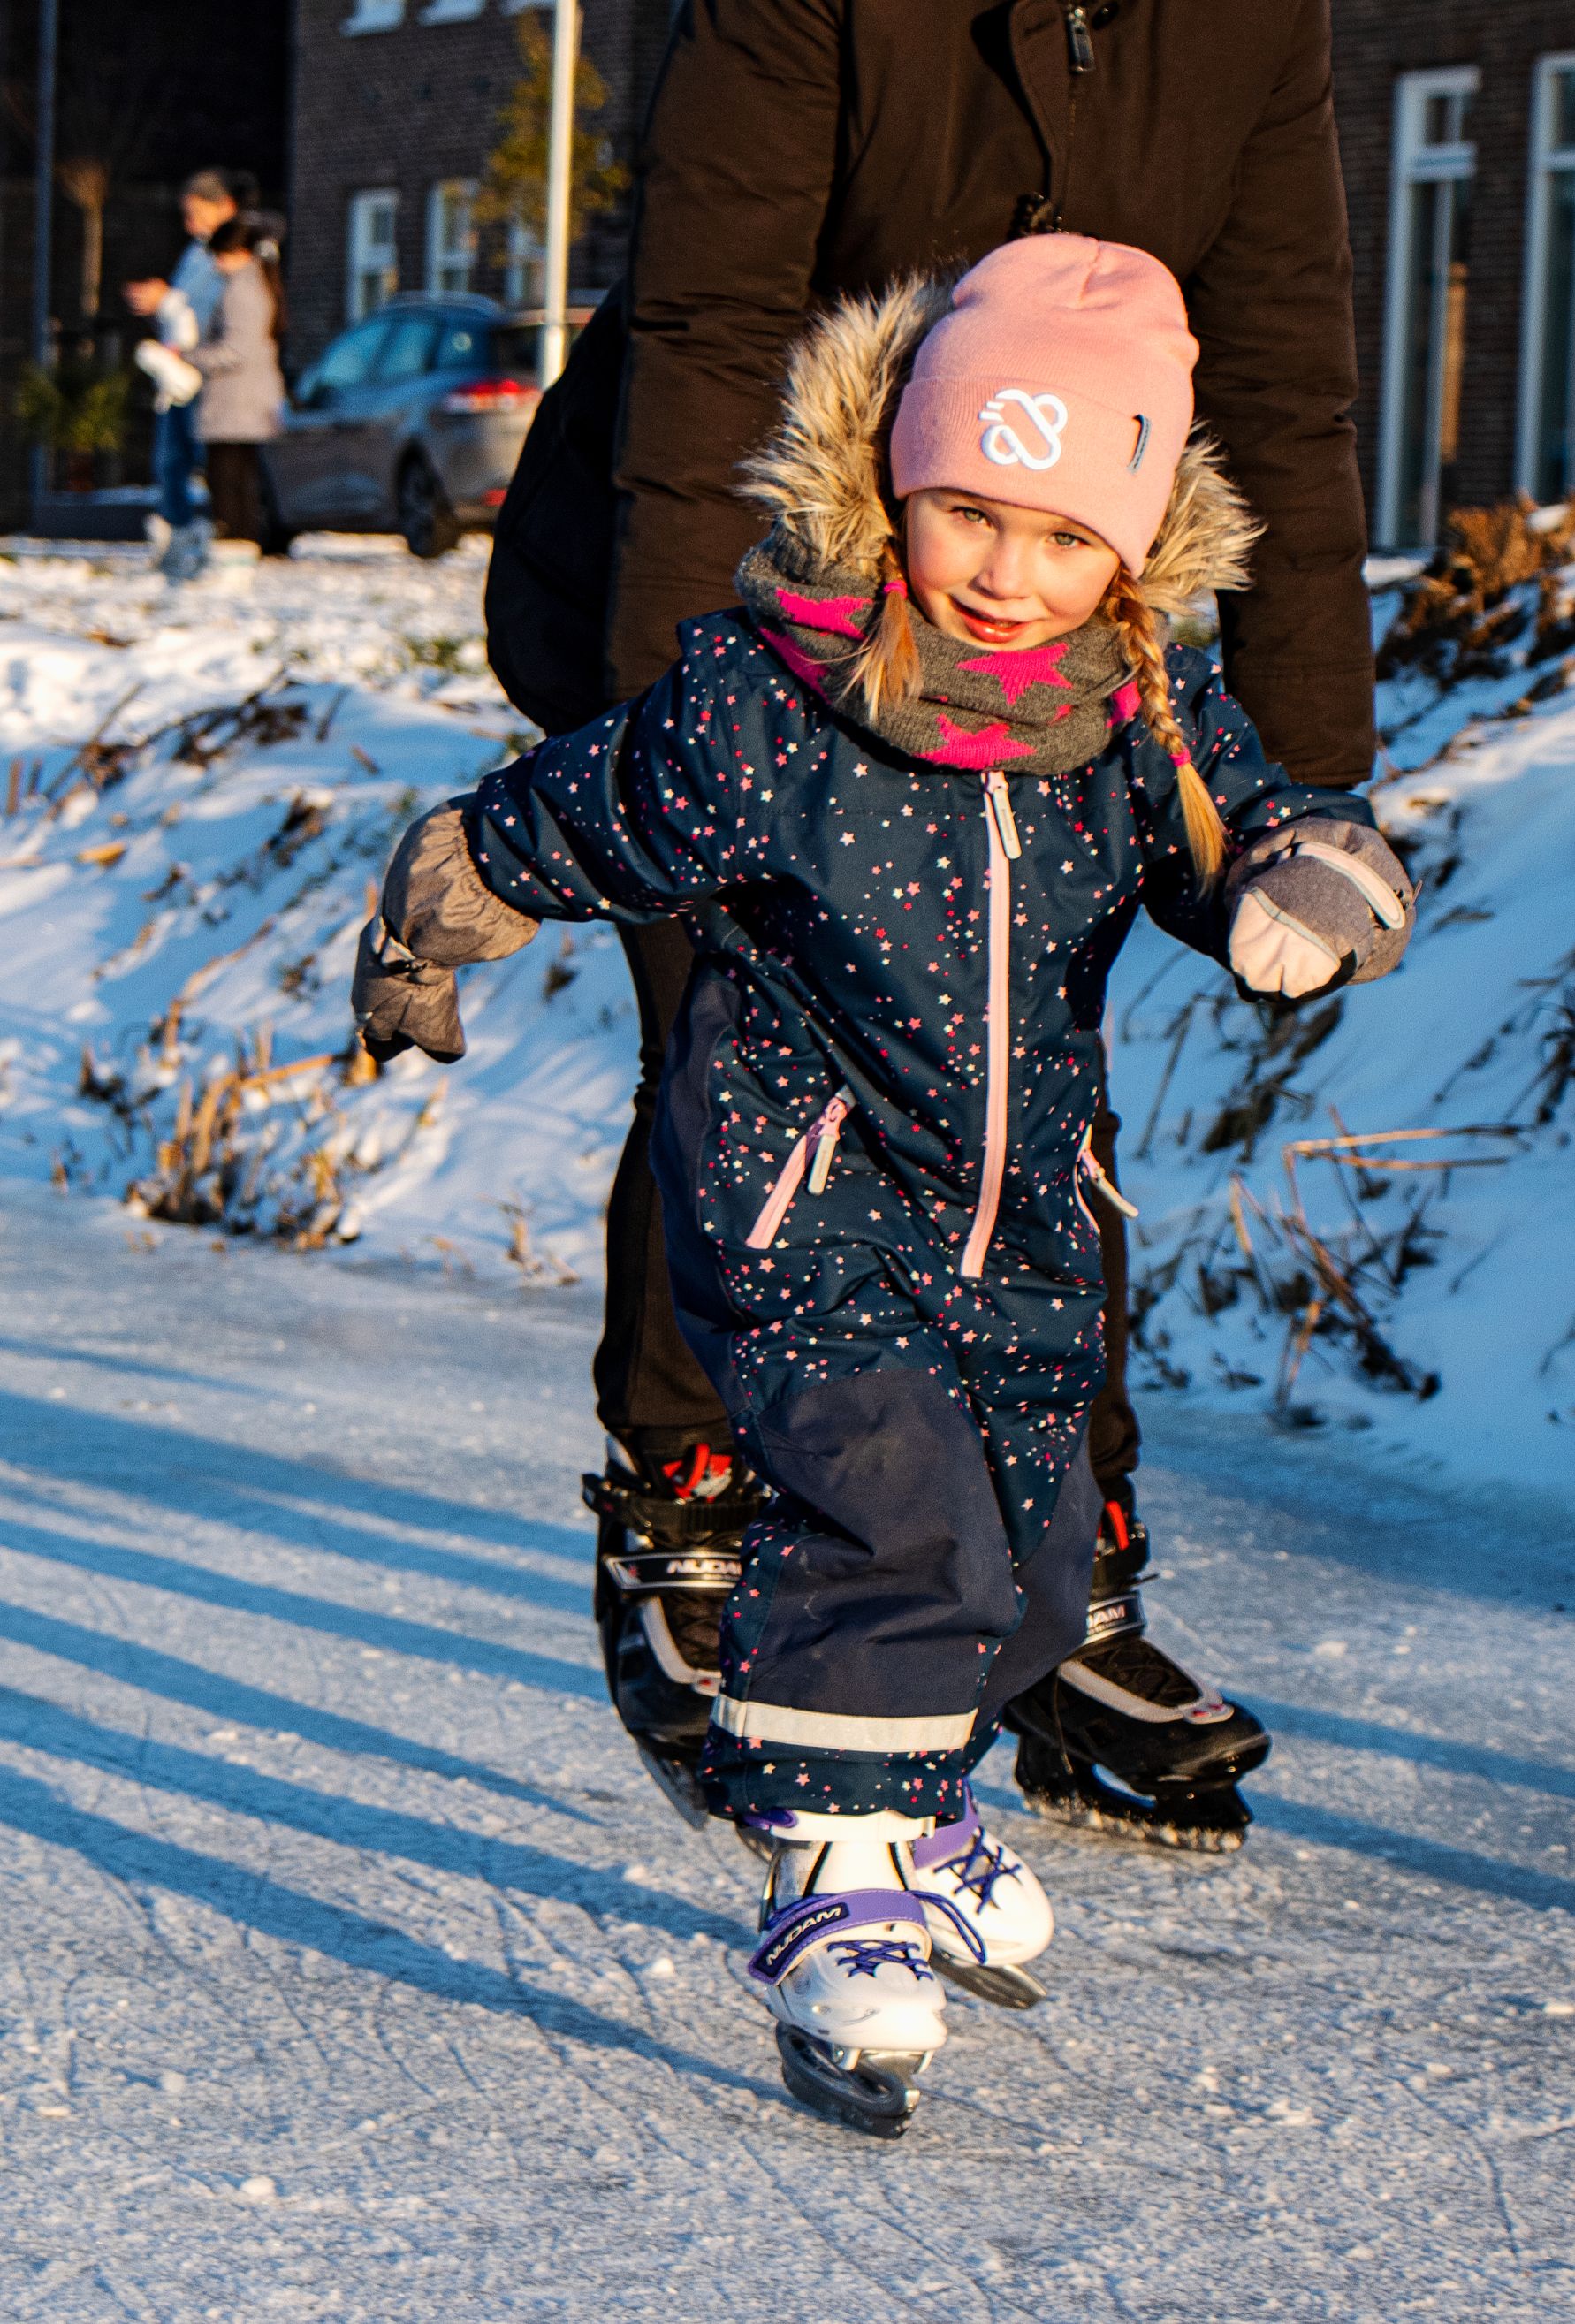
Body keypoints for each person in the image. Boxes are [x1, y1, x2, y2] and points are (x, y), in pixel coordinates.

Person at [355, 235, 1413, 2131]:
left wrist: (1312, 875)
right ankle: (834, 1883)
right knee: (889, 1523)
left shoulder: (1135, 712)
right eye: (966, 511)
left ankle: (911, 1820)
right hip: (799, 1199)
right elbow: (585, 807)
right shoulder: (777, 700)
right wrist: (446, 901)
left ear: (1140, 547)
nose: (1009, 570)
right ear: (892, 485)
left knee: (1024, 1583)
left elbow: (1248, 825)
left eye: (1065, 534)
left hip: (1020, 1227)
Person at [483, 0, 1376, 1850]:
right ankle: (698, 1488)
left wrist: (1308, 797)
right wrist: (688, 753)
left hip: (1046, 604)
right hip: (753, 564)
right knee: (747, 1054)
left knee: (1022, 1042)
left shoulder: (1248, 26)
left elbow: (1280, 371)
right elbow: (714, 323)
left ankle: (1056, 1558)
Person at [125, 170, 246, 575]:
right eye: (187, 215)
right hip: (179, 373)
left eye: (198, 213)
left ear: (225, 207)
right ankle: (174, 536)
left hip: (212, 377)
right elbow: (181, 313)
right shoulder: (195, 253)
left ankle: (214, 540)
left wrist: (169, 299)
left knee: (206, 460)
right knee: (170, 459)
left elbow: (214, 311)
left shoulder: (237, 253)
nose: (191, 224)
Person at [184, 215, 288, 566]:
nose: (217, 264)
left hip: (236, 401)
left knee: (227, 478)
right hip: (248, 400)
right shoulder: (256, 281)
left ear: (240, 253)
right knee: (242, 475)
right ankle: (243, 542)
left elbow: (237, 349)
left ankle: (236, 543)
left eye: (222, 255)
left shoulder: (243, 288)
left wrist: (189, 356)